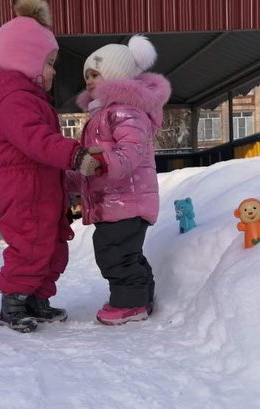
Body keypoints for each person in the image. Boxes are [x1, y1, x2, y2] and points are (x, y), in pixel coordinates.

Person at [0, 0, 101, 333]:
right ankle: (13, 303)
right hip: (24, 188)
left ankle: (36, 299)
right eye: (49, 63)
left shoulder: (32, 100)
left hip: (44, 187)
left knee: (53, 244)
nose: (54, 71)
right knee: (30, 244)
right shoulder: (16, 102)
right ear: (27, 61)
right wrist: (73, 154)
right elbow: (36, 140)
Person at [73, 35, 171, 325]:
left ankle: (130, 304)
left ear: (115, 76)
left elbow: (130, 152)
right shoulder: (102, 113)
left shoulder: (124, 111)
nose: (89, 81)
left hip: (126, 199)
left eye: (95, 74)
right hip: (115, 200)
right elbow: (91, 158)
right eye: (87, 76)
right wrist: (74, 175)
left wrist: (100, 161)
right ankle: (142, 297)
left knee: (114, 254)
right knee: (127, 253)